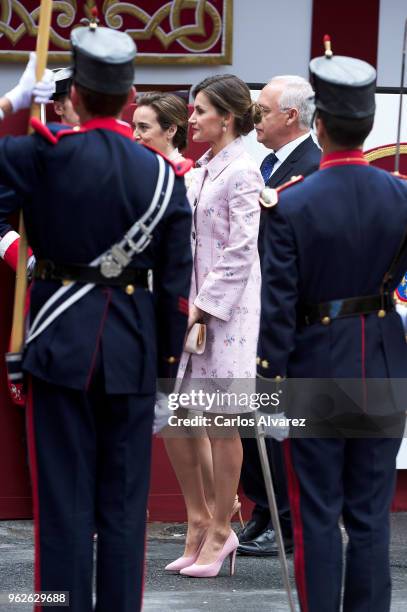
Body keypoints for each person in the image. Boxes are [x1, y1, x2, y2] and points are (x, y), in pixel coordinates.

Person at [0, 20, 192, 612]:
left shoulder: (37, 155)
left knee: (62, 509)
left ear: (73, 95)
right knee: (124, 510)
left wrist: (8, 107)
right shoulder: (164, 175)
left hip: (59, 349)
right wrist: (164, 371)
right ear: (130, 98)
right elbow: (175, 291)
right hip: (133, 355)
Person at [257, 40, 407, 612]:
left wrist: (269, 383)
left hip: (315, 362)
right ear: (366, 126)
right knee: (370, 516)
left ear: (318, 126)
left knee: (319, 512)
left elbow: (278, 305)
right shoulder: (400, 196)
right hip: (383, 360)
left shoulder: (291, 203)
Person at [163, 74, 263, 578]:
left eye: (200, 110)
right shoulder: (200, 171)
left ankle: (223, 529)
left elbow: (243, 248)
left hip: (227, 313)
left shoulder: (243, 171)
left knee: (222, 421)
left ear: (226, 117)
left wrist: (203, 305)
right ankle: (197, 522)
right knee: (178, 418)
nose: (193, 118)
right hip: (191, 306)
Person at [238, 75, 320, 558]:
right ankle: (265, 509)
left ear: (290, 116)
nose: (257, 121)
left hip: (286, 317)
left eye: (263, 111)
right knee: (253, 421)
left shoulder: (310, 169)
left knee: (276, 422)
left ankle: (285, 520)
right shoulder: (265, 167)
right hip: (256, 311)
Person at [133, 92, 188, 163]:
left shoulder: (186, 173)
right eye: (135, 126)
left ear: (171, 131)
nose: (134, 135)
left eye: (143, 127)